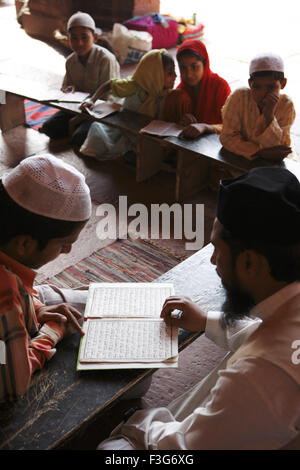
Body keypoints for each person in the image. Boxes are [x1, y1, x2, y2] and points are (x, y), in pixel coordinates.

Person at [97, 166, 300, 450]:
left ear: (251, 263)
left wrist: (136, 428)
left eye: (217, 249)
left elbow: (185, 449)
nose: (213, 261)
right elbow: (267, 334)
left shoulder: (258, 375)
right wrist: (206, 321)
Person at [0, 154, 92, 403]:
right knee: (140, 384)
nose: (68, 251)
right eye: (64, 244)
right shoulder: (6, 294)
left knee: (88, 304)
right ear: (24, 244)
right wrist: (50, 333)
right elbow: (13, 384)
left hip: (23, 303)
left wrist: (37, 311)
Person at [39, 11, 120, 146]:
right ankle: (76, 130)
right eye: (74, 38)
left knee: (80, 137)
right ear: (68, 39)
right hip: (78, 107)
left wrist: (77, 119)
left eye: (84, 37)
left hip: (101, 110)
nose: (79, 43)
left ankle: (77, 131)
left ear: (94, 37)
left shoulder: (105, 59)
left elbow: (106, 98)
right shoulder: (70, 62)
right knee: (49, 128)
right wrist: (68, 91)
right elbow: (67, 90)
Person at [79, 49, 176, 161]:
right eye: (170, 73)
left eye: (174, 71)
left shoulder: (167, 94)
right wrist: (92, 99)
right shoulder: (134, 85)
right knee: (97, 134)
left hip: (145, 135)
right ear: (154, 74)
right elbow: (109, 84)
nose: (175, 75)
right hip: (124, 130)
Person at [220, 52, 296, 162]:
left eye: (271, 87)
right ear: (250, 84)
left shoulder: (286, 105)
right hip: (238, 162)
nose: (263, 93)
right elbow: (227, 138)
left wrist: (269, 115)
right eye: (257, 87)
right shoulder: (239, 97)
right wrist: (260, 152)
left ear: (283, 83)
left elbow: (280, 149)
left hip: (272, 169)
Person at [164, 39, 231, 139]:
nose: (189, 74)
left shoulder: (220, 87)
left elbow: (231, 128)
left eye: (194, 67)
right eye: (183, 68)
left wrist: (206, 127)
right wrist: (181, 121)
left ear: (205, 64)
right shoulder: (180, 92)